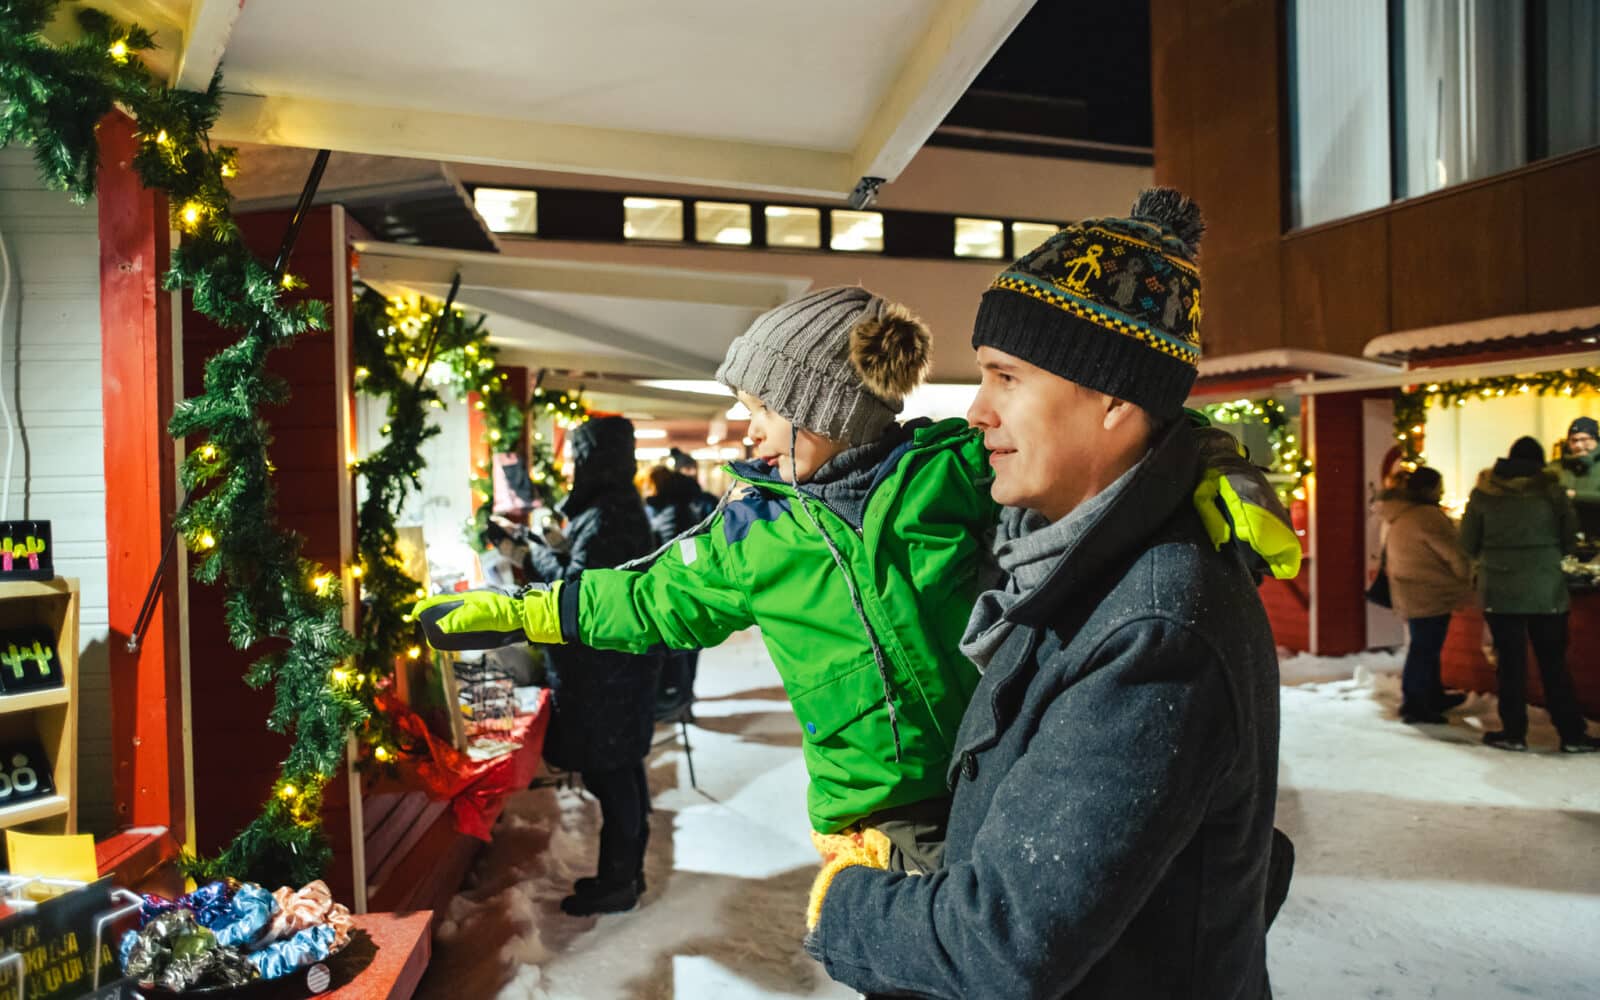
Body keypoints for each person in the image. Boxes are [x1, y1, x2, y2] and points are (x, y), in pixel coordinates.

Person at [415, 280, 1297, 883]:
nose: (742, 427)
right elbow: (641, 597)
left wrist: (1223, 476)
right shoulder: (750, 532)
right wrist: (521, 610)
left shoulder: (948, 472)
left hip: (992, 773)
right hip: (874, 809)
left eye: (759, 407)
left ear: (822, 411)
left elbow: (1119, 448)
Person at [803, 189, 1284, 998]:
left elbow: (1000, 947)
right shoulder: (1063, 557)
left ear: (1115, 400)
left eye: (1007, 376)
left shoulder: (1153, 624)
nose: (976, 409)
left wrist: (839, 903)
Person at [521, 416, 665, 914]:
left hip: (607, 676)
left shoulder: (607, 514)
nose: (572, 468)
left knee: (614, 779)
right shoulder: (617, 506)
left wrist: (534, 555)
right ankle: (623, 875)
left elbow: (579, 593)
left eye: (577, 458)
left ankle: (620, 883)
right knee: (621, 775)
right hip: (615, 673)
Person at [1461, 436, 1598, 753]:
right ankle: (1571, 734)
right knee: (1554, 664)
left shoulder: (1483, 493)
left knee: (1510, 664)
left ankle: (1513, 733)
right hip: (1545, 590)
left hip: (1500, 590)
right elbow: (1569, 541)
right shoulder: (1552, 492)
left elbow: (1467, 543)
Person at [1372, 466, 1473, 723]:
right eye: (1439, 487)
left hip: (1409, 588)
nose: (1441, 492)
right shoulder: (1427, 516)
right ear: (1429, 489)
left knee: (1424, 645)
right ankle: (1416, 702)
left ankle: (1431, 694)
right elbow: (1453, 553)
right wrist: (1467, 575)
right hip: (1430, 590)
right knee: (1424, 648)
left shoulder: (1398, 513)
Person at [643, 464, 707, 716]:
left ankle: (682, 702)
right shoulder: (678, 507)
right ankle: (684, 699)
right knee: (687, 651)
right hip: (687, 591)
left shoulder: (672, 511)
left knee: (682, 652)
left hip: (680, 591)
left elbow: (672, 552)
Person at [1550, 416, 1600, 503]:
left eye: (1584, 440)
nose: (1578, 445)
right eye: (1573, 440)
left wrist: (1576, 496)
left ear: (1595, 440)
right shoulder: (1555, 467)